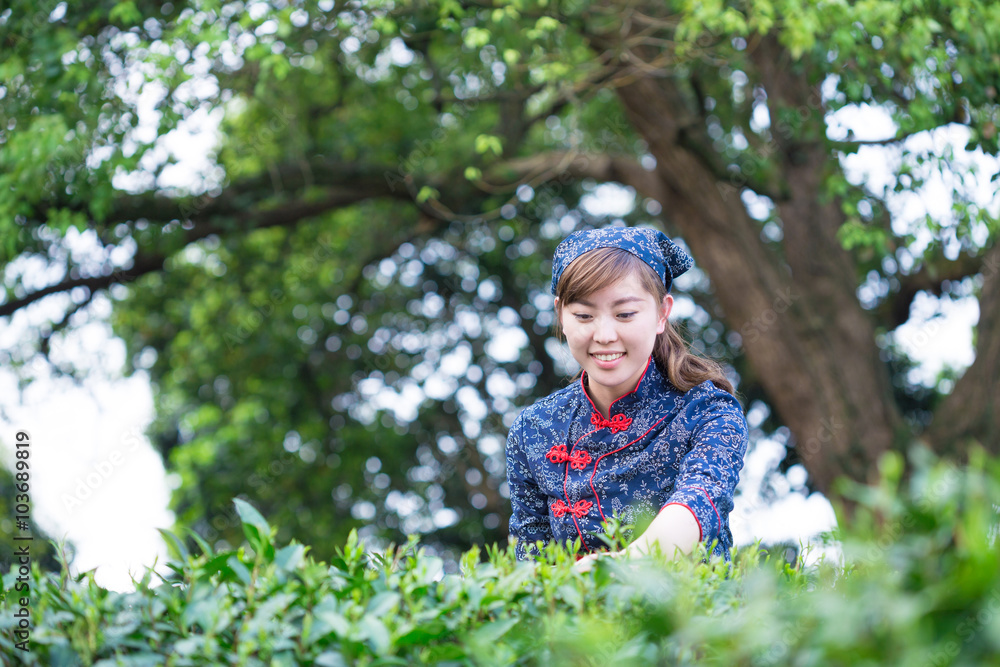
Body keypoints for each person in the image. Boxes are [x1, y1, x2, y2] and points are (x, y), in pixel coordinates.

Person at [504, 227, 748, 565]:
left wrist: (618, 569)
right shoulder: (533, 430)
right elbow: (530, 561)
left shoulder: (708, 411)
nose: (604, 335)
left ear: (663, 312)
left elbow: (699, 501)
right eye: (584, 316)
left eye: (625, 314)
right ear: (560, 314)